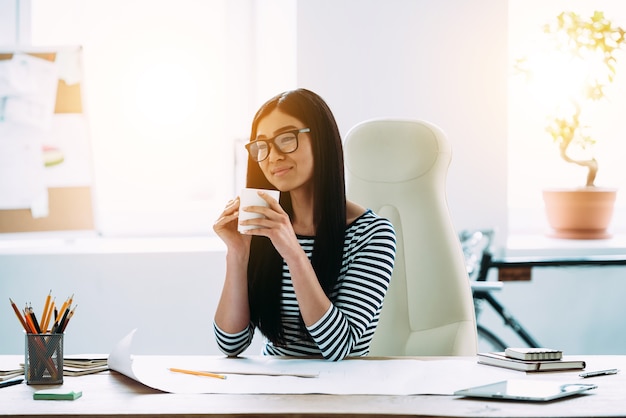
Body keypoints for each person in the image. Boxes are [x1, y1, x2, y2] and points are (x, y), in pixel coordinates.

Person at [213, 88, 396, 361]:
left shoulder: (372, 234)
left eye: (286, 139)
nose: (272, 156)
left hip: (345, 390)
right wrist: (238, 255)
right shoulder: (264, 227)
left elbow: (338, 348)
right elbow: (231, 344)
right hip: (276, 388)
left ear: (321, 140)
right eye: (262, 146)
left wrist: (293, 251)